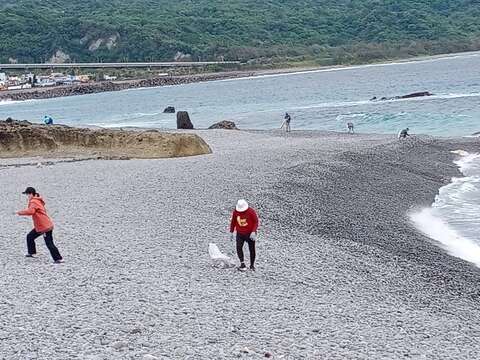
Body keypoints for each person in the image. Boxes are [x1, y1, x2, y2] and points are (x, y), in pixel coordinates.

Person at [16, 187, 64, 263]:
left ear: (31, 194)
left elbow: (31, 211)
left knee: (49, 243)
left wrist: (19, 212)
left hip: (44, 227)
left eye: (27, 194)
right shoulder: (37, 200)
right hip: (42, 225)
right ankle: (32, 252)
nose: (27, 196)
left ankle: (58, 258)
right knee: (30, 237)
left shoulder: (34, 202)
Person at [229, 199, 259, 271]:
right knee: (239, 247)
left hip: (250, 234)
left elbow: (256, 221)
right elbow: (233, 221)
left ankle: (252, 265)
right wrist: (231, 232)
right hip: (240, 233)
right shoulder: (235, 212)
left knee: (252, 249)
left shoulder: (251, 211)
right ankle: (242, 264)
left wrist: (253, 231)